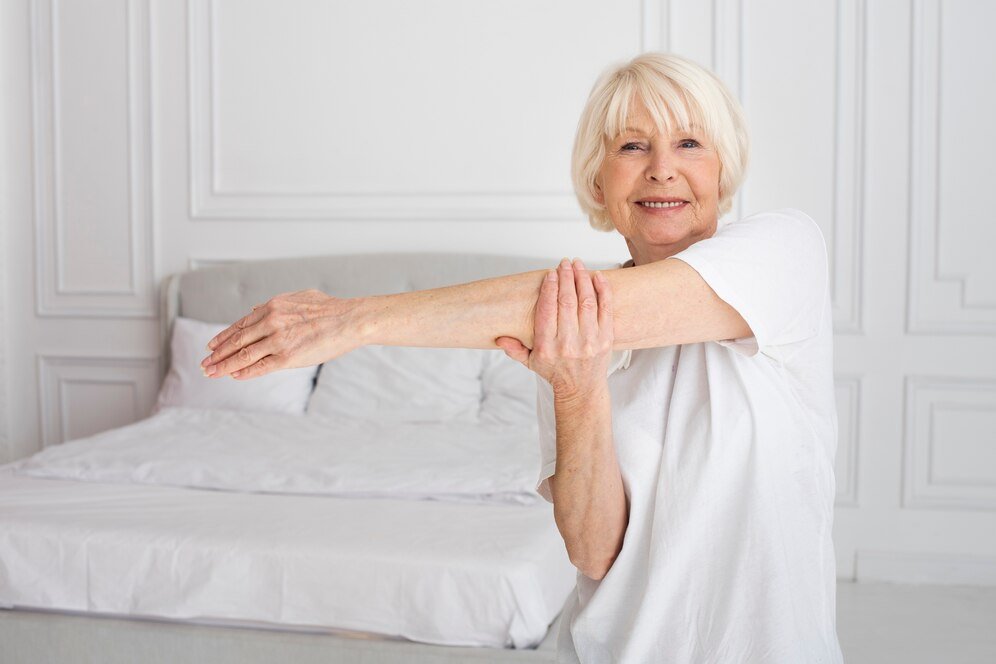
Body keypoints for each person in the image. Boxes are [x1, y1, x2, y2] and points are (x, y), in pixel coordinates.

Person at [200, 52, 844, 663]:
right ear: (599, 179)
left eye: (690, 143)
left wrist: (351, 320)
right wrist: (577, 388)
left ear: (725, 169)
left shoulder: (784, 252)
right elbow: (594, 554)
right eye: (631, 145)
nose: (661, 168)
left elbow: (591, 305)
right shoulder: (565, 341)